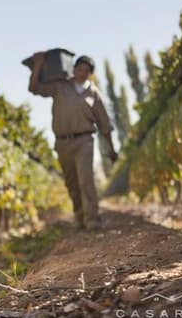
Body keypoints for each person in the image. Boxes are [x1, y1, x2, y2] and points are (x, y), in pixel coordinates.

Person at [28, 54, 117, 230]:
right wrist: (38, 65)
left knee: (86, 180)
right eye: (80, 69)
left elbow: (104, 125)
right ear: (73, 69)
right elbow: (34, 88)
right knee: (72, 183)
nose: (82, 73)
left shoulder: (93, 93)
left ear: (90, 74)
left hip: (84, 141)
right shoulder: (60, 86)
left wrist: (112, 149)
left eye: (86, 71)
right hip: (62, 143)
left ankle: (93, 219)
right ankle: (79, 216)